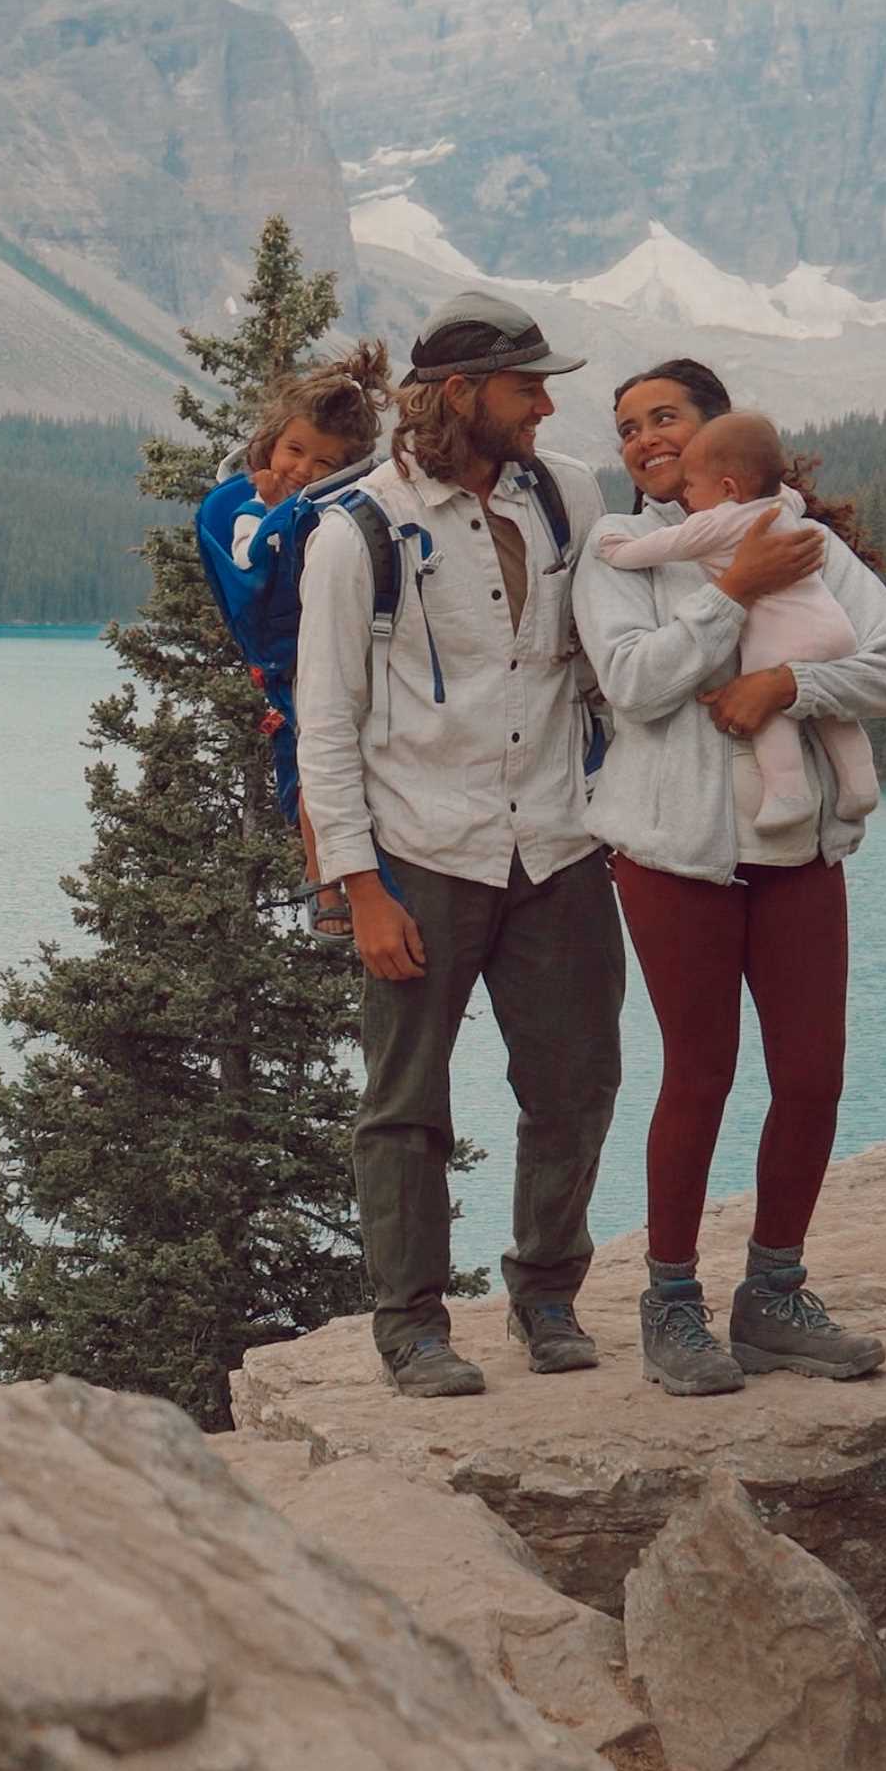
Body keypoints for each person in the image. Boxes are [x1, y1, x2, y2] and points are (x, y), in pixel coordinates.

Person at [296, 292, 624, 1397]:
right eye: (524, 385)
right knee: (404, 1104)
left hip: (560, 847)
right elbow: (326, 720)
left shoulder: (569, 497)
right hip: (423, 857)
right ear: (457, 396)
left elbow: (605, 661)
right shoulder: (359, 532)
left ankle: (544, 1294)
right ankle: (412, 1326)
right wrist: (359, 886)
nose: (544, 403)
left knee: (576, 1082)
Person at [572, 360, 886, 1399]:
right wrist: (732, 596)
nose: (643, 439)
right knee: (699, 1072)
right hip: (670, 851)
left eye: (664, 417)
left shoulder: (796, 532)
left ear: (717, 432)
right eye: (627, 427)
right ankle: (670, 1304)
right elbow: (632, 685)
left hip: (795, 850)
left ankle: (771, 1298)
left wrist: (788, 681)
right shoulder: (619, 555)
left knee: (810, 1074)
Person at [598, 409, 879, 834]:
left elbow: (660, 546)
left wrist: (614, 549)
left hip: (783, 641)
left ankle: (788, 793)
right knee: (835, 718)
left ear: (727, 489)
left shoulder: (717, 522)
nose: (688, 495)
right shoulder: (786, 507)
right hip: (836, 630)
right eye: (630, 430)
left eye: (691, 485)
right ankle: (860, 785)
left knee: (765, 707)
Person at [230, 341, 391, 940]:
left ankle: (349, 876)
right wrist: (268, 511)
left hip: (350, 650)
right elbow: (250, 564)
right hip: (297, 662)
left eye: (323, 464)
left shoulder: (349, 512)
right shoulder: (253, 508)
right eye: (294, 450)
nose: (302, 470)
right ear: (270, 444)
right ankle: (327, 881)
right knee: (312, 767)